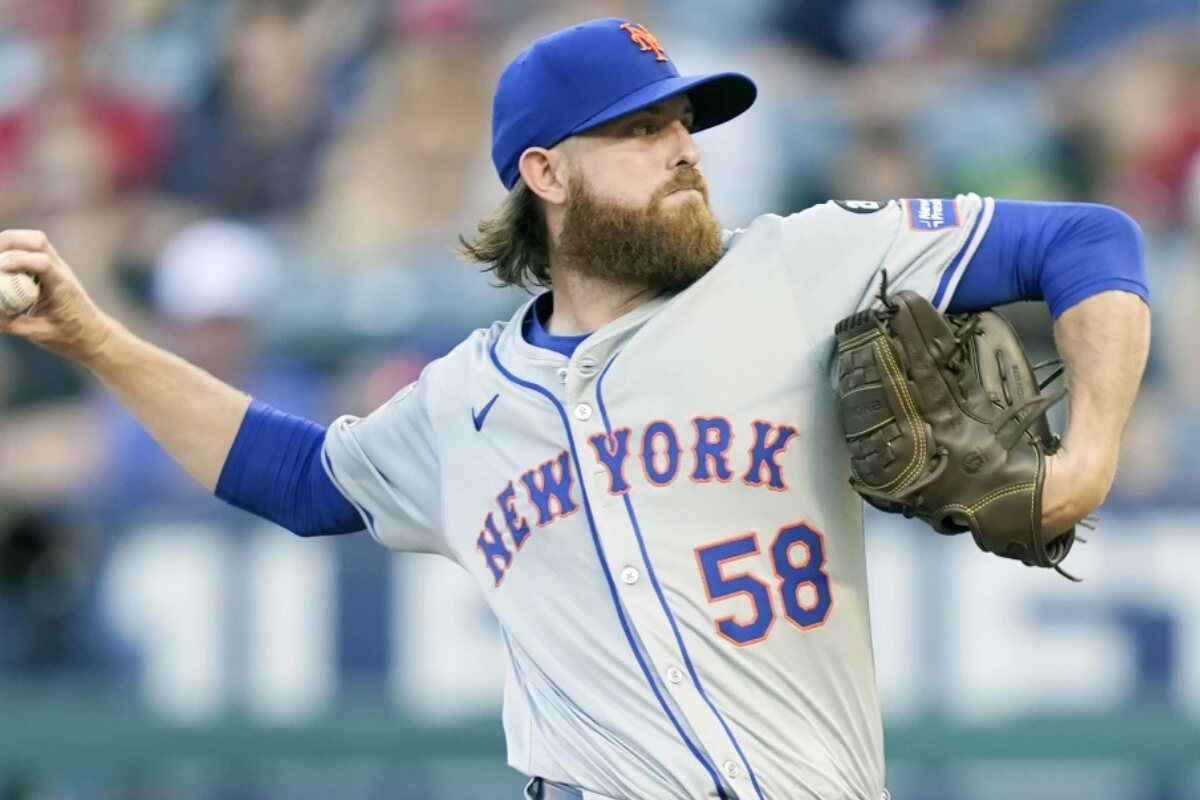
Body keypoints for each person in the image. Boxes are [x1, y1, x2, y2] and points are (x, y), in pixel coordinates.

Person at [0, 17, 1151, 800]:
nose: (684, 152)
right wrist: (96, 338)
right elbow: (301, 481)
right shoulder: (463, 399)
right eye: (642, 130)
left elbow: (1090, 238)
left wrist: (1087, 455)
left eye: (686, 125)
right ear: (544, 173)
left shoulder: (799, 263)